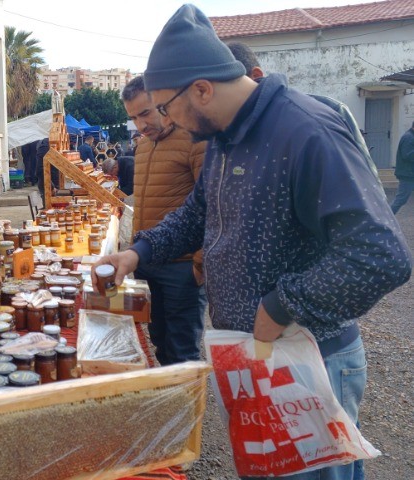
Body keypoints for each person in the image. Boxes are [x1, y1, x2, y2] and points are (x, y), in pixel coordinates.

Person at [99, 5, 411, 479]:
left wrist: (284, 304)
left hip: (309, 356)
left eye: (166, 107)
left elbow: (380, 254)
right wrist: (137, 251)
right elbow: (198, 214)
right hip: (250, 353)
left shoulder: (304, 130)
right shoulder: (226, 135)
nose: (168, 120)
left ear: (201, 89)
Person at [119, 75, 206, 366]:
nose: (141, 124)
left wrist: (199, 265)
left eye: (146, 112)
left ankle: (187, 409)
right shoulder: (142, 147)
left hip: (182, 268)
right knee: (158, 339)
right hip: (148, 263)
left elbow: (212, 209)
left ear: (164, 102)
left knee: (183, 350)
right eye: (134, 117)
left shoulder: (196, 140)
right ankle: (169, 407)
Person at [226, 41, 380, 182]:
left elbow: (367, 181)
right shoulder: (225, 129)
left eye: (228, 87)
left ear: (256, 75)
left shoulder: (330, 111)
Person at [391, 121, 414, 214]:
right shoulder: (408, 138)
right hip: (408, 174)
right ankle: (384, 220)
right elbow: (407, 155)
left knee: (401, 199)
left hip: (410, 173)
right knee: (401, 199)